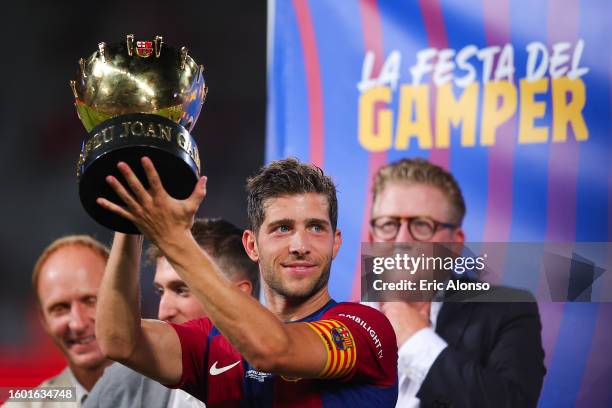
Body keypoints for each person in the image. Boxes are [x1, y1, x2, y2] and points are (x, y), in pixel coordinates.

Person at [95, 157, 398, 407]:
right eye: (282, 228)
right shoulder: (212, 340)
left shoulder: (365, 328)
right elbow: (120, 341)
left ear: (336, 243)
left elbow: (273, 349)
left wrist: (176, 240)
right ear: (252, 245)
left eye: (316, 228)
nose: (300, 245)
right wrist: (131, 220)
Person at [369, 158, 546, 408]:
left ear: (455, 243)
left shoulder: (508, 310)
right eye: (388, 224)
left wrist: (415, 338)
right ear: (372, 237)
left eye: (421, 225)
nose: (402, 239)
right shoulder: (340, 323)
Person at [84, 218, 259, 408]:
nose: (163, 312)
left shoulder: (281, 378)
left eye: (181, 290)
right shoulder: (124, 382)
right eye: (160, 291)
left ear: (239, 296)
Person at [6, 236, 112, 407]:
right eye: (60, 308)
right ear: (43, 320)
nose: (78, 323)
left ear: (124, 301)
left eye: (91, 301)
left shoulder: (167, 393)